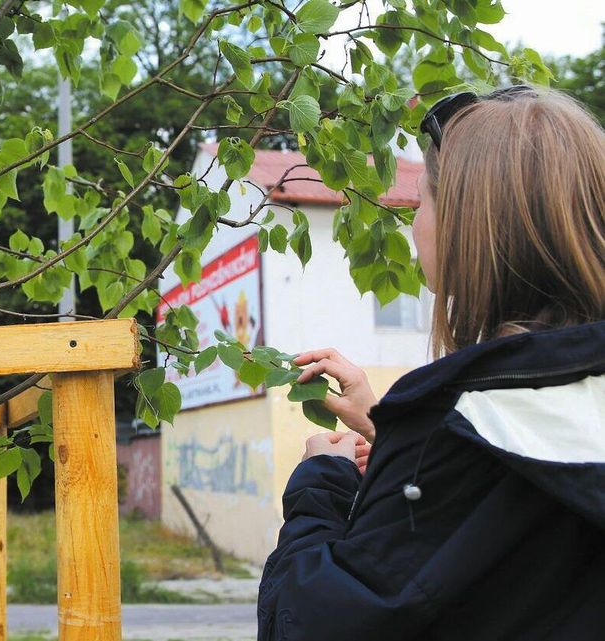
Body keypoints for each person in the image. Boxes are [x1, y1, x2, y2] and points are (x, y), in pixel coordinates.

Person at [257, 85, 605, 640]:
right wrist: (387, 431)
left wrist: (321, 481)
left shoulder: (451, 425)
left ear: (470, 226)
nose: (415, 222)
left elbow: (313, 623)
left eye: (423, 202)